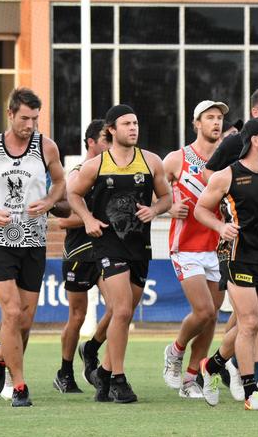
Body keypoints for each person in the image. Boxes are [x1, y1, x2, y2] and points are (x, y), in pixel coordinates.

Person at [0, 87, 66, 407]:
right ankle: (19, 386)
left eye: (34, 118)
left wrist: (47, 201)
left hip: (34, 241)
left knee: (26, 321)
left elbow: (60, 183)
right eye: (24, 118)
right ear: (10, 114)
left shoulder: (46, 147)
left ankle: (1, 356)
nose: (30, 124)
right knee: (12, 311)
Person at [68, 104, 172, 403]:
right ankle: (118, 379)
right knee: (123, 309)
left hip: (139, 245)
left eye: (136, 123)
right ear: (111, 130)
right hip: (108, 244)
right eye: (126, 123)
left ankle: (103, 371)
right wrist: (87, 219)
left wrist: (154, 209)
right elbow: (73, 194)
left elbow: (166, 197)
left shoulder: (151, 161)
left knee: (123, 313)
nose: (133, 128)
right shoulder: (95, 165)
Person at [195, 117, 258, 410]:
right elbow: (201, 210)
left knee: (250, 323)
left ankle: (212, 366)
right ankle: (252, 391)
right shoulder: (226, 176)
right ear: (255, 140)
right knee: (251, 322)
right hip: (235, 254)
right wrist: (219, 227)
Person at [162, 100, 228, 398]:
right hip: (186, 246)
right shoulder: (177, 158)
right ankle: (175, 351)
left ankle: (191, 379)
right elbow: (156, 193)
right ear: (196, 123)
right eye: (210, 118)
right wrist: (168, 207)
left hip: (218, 246)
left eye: (219, 118)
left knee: (213, 316)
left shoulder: (229, 159)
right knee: (202, 311)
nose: (216, 123)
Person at [54, 119, 112, 393]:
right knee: (77, 316)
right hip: (79, 252)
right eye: (104, 138)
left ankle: (91, 348)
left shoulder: (111, 172)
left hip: (107, 252)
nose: (109, 143)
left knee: (119, 308)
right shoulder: (77, 174)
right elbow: (64, 221)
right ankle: (64, 372)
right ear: (91, 142)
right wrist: (93, 218)